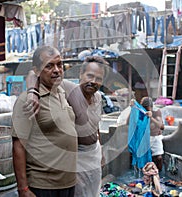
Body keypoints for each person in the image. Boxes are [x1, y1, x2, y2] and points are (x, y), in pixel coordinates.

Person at [25, 56, 109, 197]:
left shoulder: (98, 97)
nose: (93, 81)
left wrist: (100, 150)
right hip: (76, 158)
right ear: (80, 75)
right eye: (89, 76)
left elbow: (95, 124)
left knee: (93, 192)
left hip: (94, 155)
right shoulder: (69, 89)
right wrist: (32, 93)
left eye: (98, 78)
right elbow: (33, 74)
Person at [11, 45, 78, 197]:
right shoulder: (27, 101)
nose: (56, 70)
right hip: (43, 184)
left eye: (59, 64)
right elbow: (18, 147)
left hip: (68, 182)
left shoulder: (62, 91)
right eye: (49, 66)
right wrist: (23, 189)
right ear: (37, 70)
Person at [140, 97, 165, 171]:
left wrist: (151, 118)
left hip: (156, 137)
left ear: (151, 107)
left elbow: (162, 127)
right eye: (144, 108)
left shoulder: (156, 112)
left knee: (158, 158)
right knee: (144, 159)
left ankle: (159, 175)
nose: (146, 110)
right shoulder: (141, 112)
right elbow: (128, 122)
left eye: (147, 108)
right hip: (145, 138)